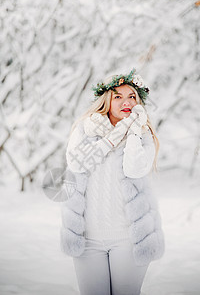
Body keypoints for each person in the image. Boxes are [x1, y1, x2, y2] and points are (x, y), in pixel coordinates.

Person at [60, 68, 165, 295]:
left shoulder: (143, 134)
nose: (125, 102)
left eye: (131, 97)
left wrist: (133, 131)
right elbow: (78, 163)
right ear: (106, 100)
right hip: (88, 240)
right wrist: (113, 137)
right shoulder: (85, 129)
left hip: (129, 240)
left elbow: (134, 169)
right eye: (118, 96)